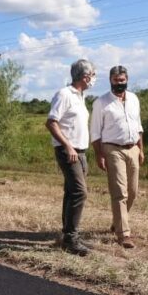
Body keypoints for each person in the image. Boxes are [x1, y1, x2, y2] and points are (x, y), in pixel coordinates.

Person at [45, 59, 96, 256]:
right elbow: (51, 122)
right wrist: (68, 146)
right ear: (85, 76)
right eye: (92, 75)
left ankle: (67, 236)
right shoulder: (64, 94)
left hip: (81, 151)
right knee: (79, 192)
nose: (93, 79)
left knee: (71, 192)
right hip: (69, 152)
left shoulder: (81, 96)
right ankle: (71, 238)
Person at [90, 65, 144, 249]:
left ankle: (117, 222)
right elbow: (95, 132)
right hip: (112, 149)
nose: (119, 83)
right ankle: (124, 234)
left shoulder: (134, 99)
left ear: (127, 79)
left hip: (133, 148)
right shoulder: (101, 102)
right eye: (116, 80)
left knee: (133, 192)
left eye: (122, 80)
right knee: (119, 192)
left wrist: (141, 149)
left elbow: (138, 126)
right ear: (110, 80)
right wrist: (99, 155)